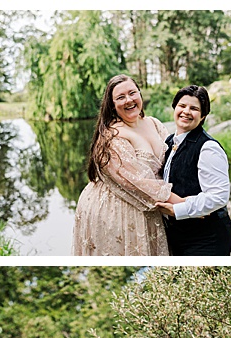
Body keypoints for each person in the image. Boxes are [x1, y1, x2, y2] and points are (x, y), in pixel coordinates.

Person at [72, 74, 184, 256]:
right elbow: (136, 182)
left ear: (140, 93)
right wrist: (184, 205)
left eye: (132, 93)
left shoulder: (154, 123)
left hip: (153, 200)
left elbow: (173, 161)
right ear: (112, 105)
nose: (129, 100)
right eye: (120, 97)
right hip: (118, 209)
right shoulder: (111, 135)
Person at [158, 86, 231, 256]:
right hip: (179, 234)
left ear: (203, 116)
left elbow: (219, 196)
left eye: (194, 108)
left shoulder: (208, 147)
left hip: (208, 238)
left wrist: (178, 209)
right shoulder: (169, 142)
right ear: (175, 107)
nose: (186, 112)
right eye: (182, 106)